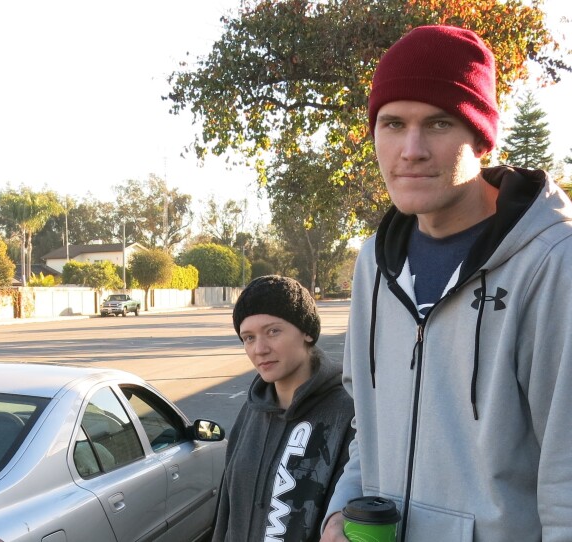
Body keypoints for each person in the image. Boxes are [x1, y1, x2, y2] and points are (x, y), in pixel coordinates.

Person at [320, 25, 572, 542]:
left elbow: (567, 476)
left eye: (437, 123)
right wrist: (341, 510)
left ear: (481, 136)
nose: (410, 150)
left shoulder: (553, 263)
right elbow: (369, 427)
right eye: (392, 124)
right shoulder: (374, 262)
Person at [213, 275, 354, 541]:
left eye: (273, 331)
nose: (260, 349)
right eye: (248, 337)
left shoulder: (346, 413)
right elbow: (227, 511)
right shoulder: (251, 410)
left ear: (307, 331)